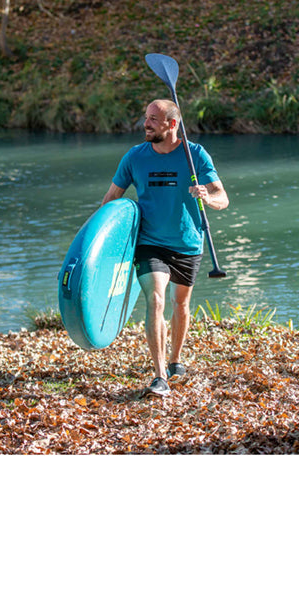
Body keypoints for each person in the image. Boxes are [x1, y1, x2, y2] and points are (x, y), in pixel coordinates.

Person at [102, 99, 229, 397]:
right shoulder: (135, 157)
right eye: (146, 117)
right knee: (156, 300)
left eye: (153, 119)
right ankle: (160, 376)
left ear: (172, 125)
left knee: (180, 305)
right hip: (149, 242)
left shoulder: (194, 154)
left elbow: (223, 197)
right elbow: (110, 199)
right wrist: (99, 241)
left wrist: (206, 198)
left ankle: (175, 360)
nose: (145, 124)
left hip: (187, 241)